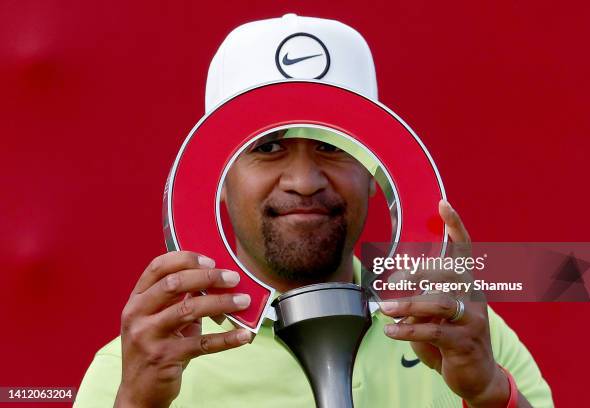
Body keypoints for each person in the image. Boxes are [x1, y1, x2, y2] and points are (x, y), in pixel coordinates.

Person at [75, 14, 553, 408]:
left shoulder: (462, 333)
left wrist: (489, 393)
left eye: (331, 146)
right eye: (269, 147)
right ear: (216, 178)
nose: (303, 181)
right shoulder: (143, 365)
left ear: (374, 172)